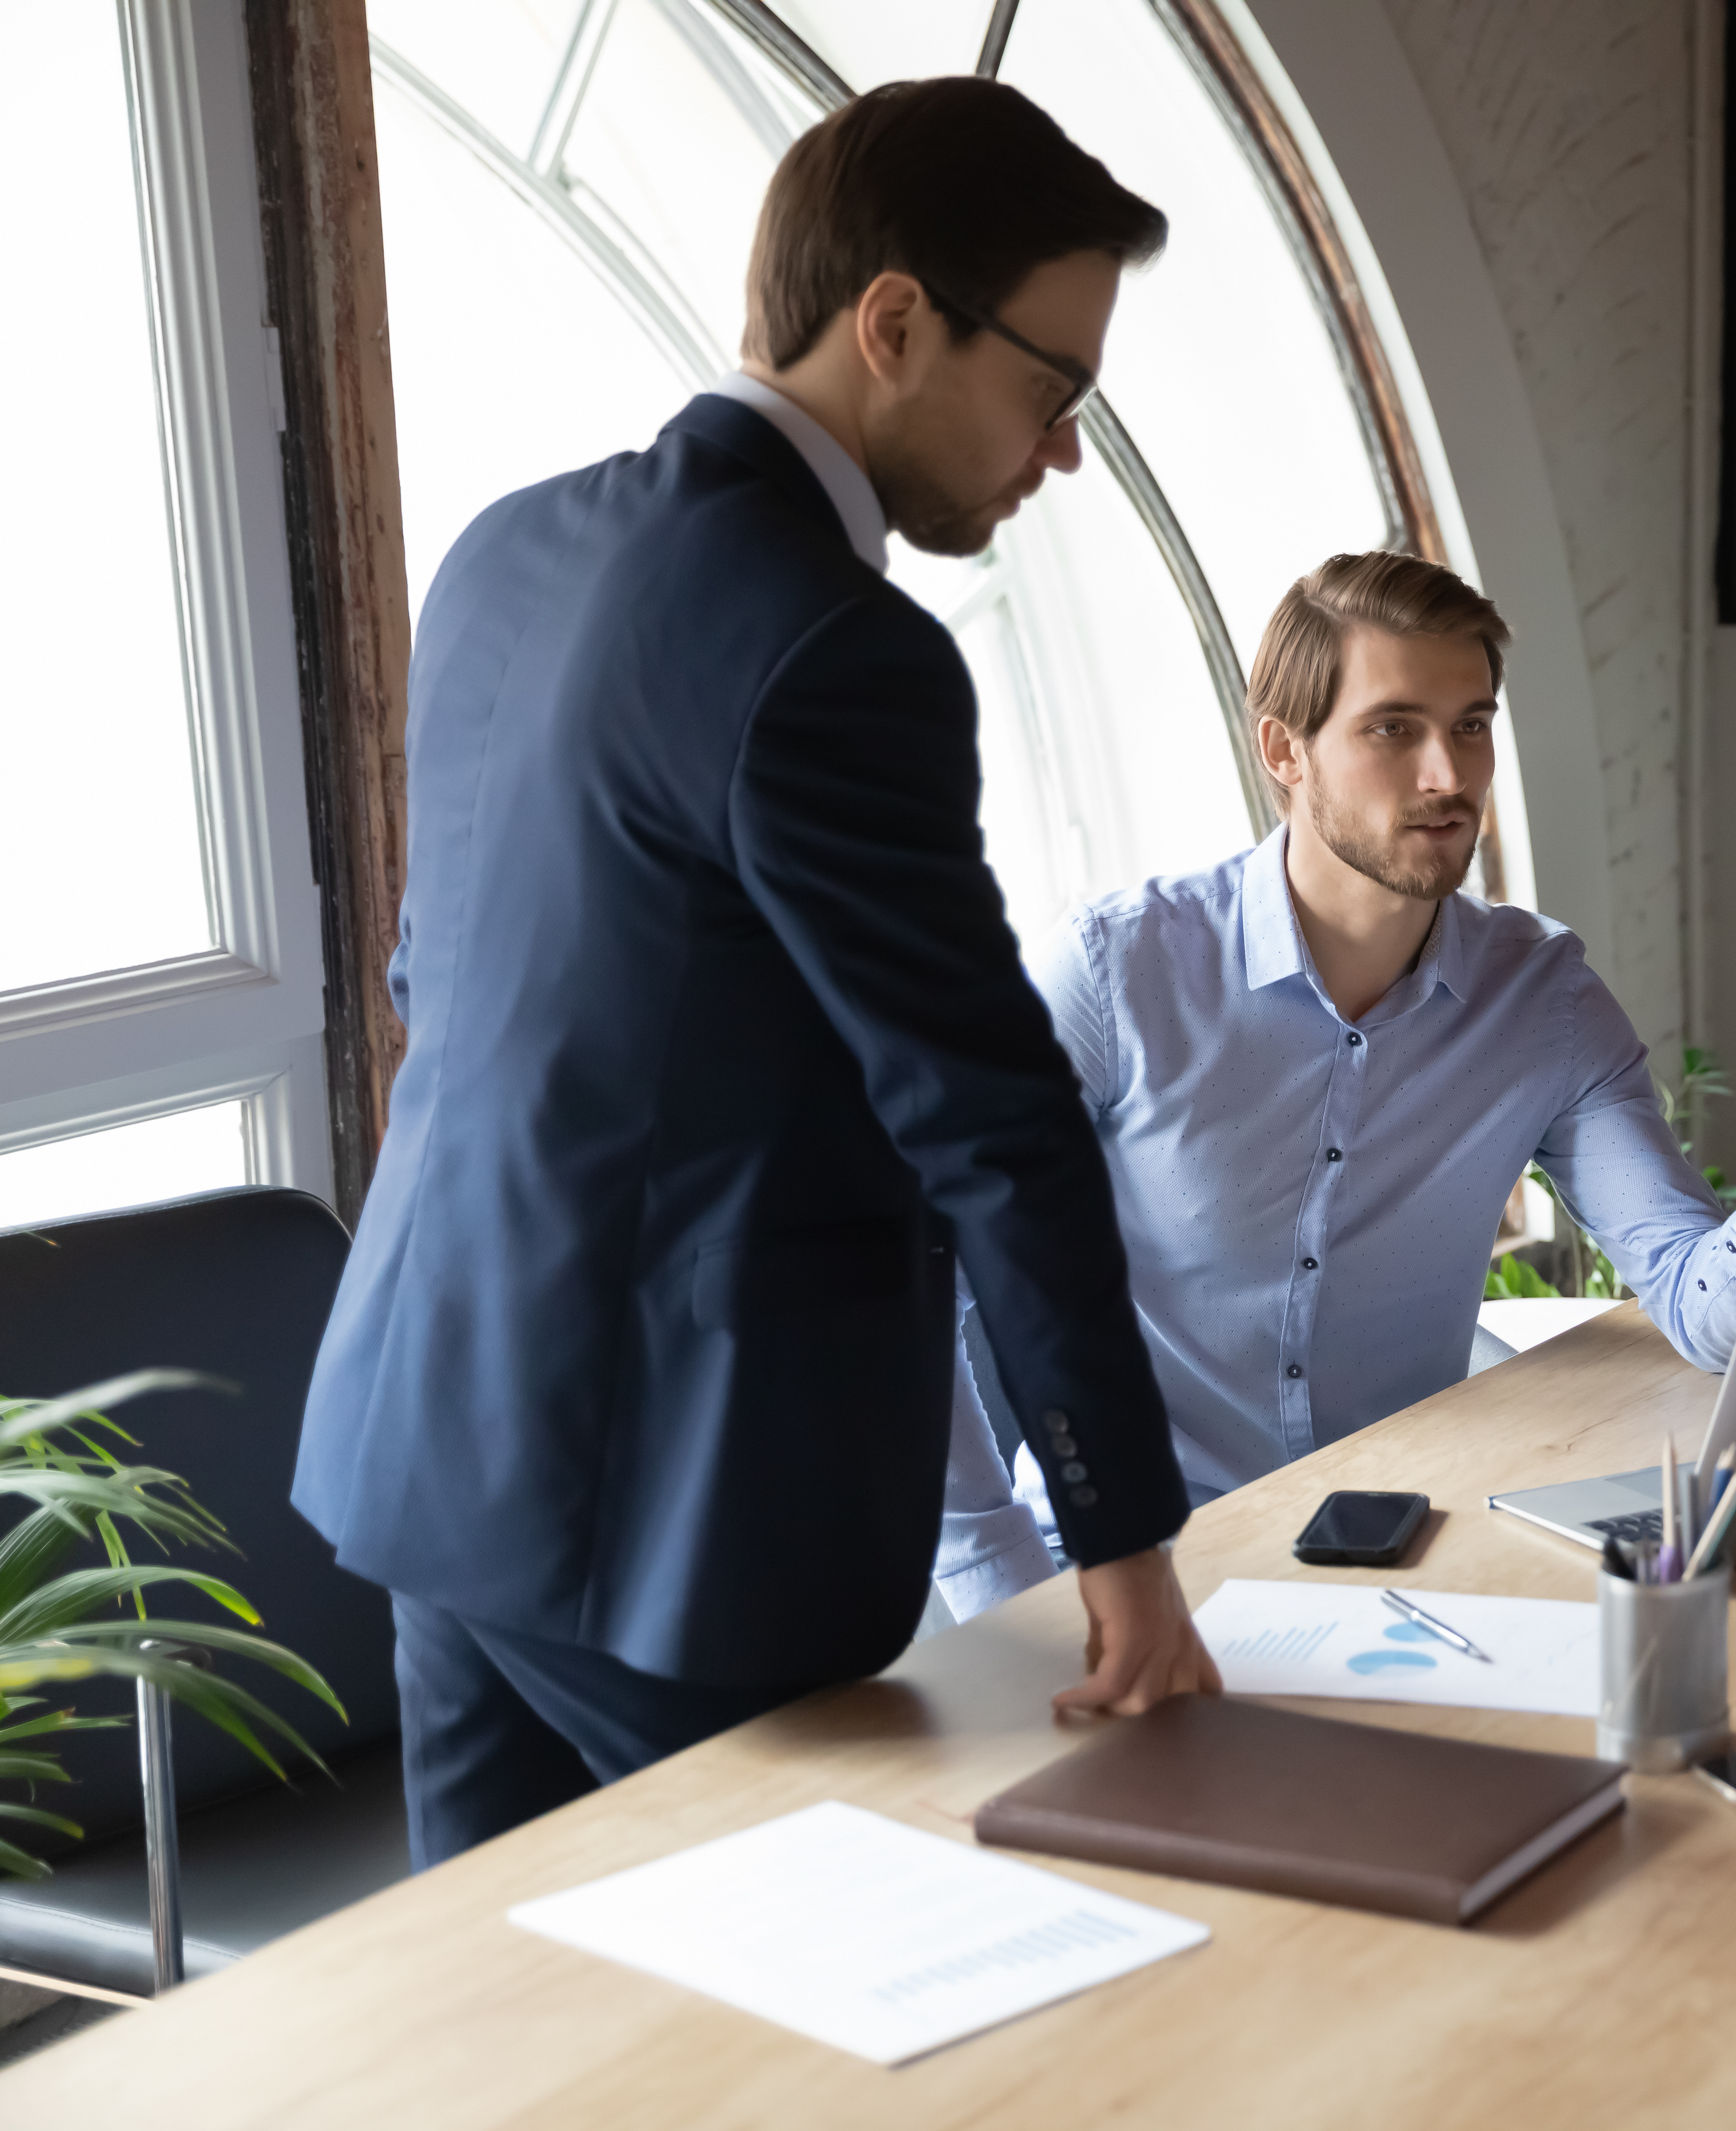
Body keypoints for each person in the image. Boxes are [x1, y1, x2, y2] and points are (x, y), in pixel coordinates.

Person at [295, 79, 1218, 1868]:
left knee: (512, 2037)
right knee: (817, 2009)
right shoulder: (833, 646)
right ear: (893, 322)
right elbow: (992, 1115)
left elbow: (446, 971)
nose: (1063, 454)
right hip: (667, 1516)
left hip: (436, 1435)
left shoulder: (509, 548)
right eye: (1053, 390)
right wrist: (1125, 1548)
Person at [929, 552, 1736, 1611]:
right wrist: (1001, 1591)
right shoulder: (1117, 972)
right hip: (1134, 1564)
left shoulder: (1541, 997)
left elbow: (1694, 1300)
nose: (1448, 776)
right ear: (1285, 749)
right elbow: (928, 1281)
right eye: (1392, 728)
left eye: (1472, 725)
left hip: (1399, 1559)